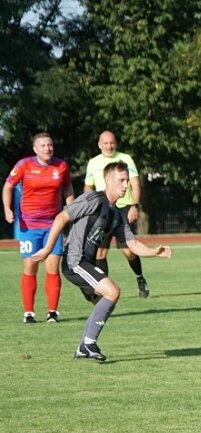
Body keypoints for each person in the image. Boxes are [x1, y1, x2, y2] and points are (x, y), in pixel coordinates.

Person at [31, 161, 172, 361]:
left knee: (106, 301)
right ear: (107, 180)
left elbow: (132, 244)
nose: (125, 185)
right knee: (113, 292)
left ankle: (84, 346)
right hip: (75, 261)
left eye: (127, 181)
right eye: (121, 180)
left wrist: (154, 251)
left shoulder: (116, 214)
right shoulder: (94, 199)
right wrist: (47, 248)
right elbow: (62, 217)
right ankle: (88, 344)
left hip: (86, 264)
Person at [2, 132, 74, 323]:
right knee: (30, 266)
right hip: (29, 225)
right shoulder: (24, 165)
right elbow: (8, 187)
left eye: (50, 145)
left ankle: (52, 312)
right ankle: (29, 312)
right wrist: (7, 209)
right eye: (43, 145)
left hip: (54, 224)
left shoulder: (62, 166)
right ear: (35, 149)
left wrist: (71, 208)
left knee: (53, 267)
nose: (47, 148)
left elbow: (67, 187)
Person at [84, 130, 150, 297]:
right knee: (100, 252)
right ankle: (103, 288)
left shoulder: (125, 159)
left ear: (116, 143)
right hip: (102, 210)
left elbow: (135, 183)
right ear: (99, 145)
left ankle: (139, 277)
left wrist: (134, 205)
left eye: (112, 142)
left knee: (128, 251)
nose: (109, 146)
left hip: (123, 209)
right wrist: (88, 204)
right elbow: (88, 186)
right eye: (105, 143)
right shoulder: (93, 163)